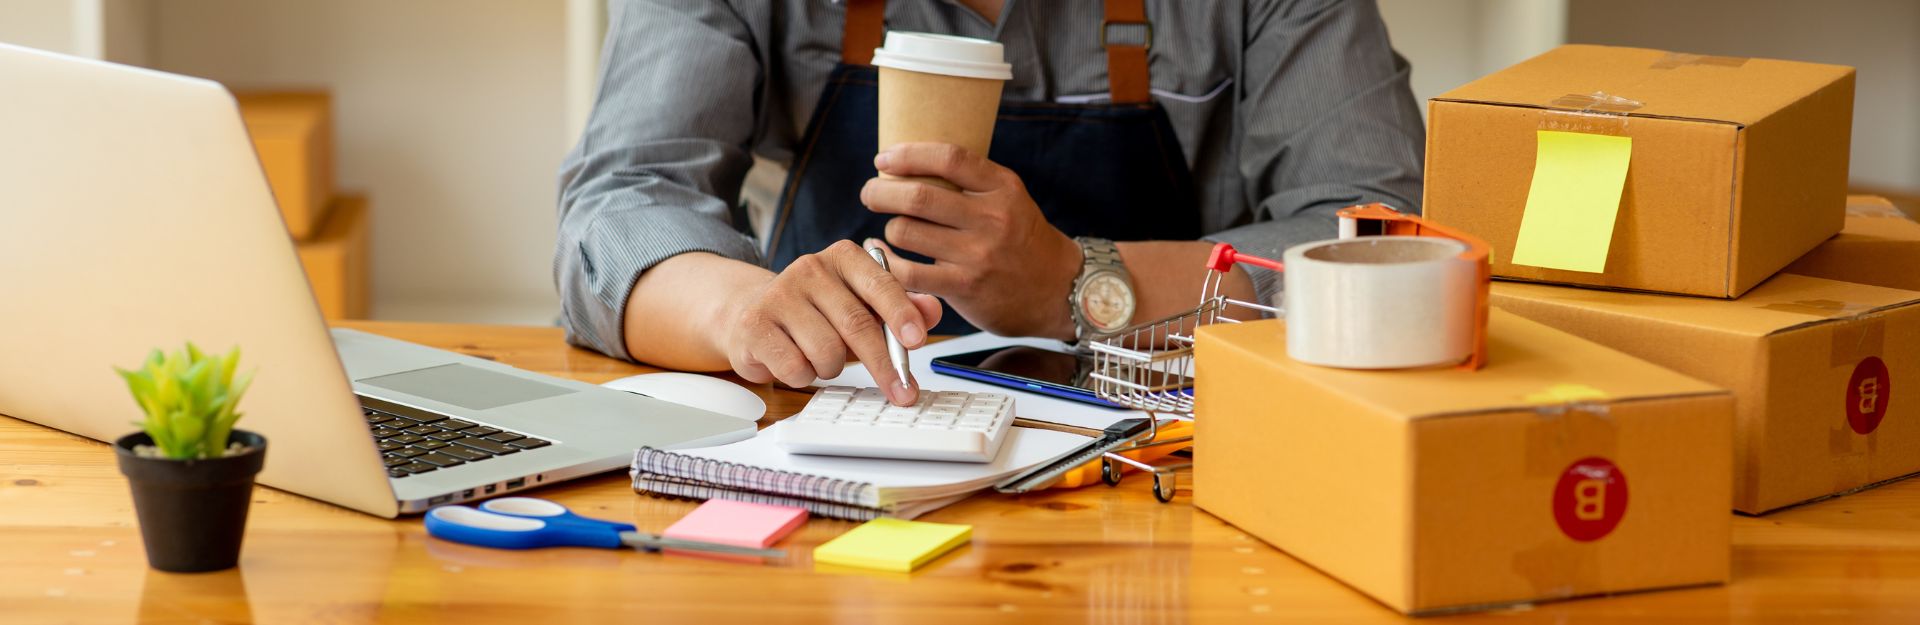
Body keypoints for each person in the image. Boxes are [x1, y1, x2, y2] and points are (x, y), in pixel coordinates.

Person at [556, 0, 1424, 406]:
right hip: (829, 435)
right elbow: (618, 205)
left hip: (1161, 444)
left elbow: (1383, 237)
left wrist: (1078, 283)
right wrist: (749, 310)